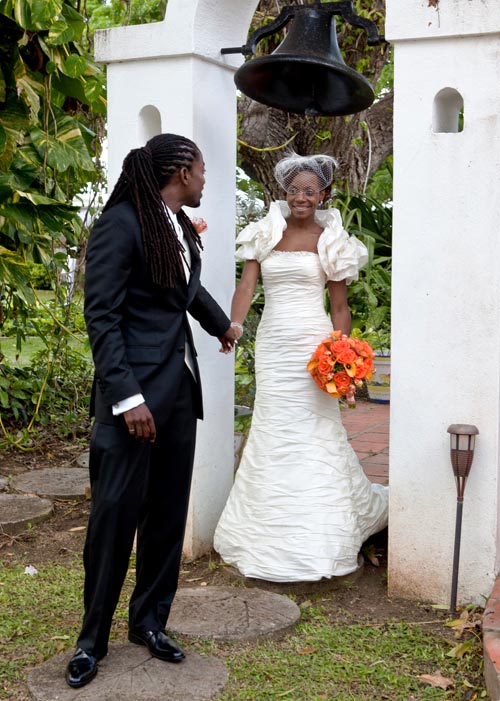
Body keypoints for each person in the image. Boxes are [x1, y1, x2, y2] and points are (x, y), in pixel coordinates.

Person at [66, 133, 238, 688]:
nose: (206, 180)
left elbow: (183, 291)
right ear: (181, 171)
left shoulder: (175, 223)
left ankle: (150, 622)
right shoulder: (121, 222)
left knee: (166, 516)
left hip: (178, 394)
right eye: (202, 170)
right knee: (114, 518)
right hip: (133, 401)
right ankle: (91, 639)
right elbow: (102, 317)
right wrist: (127, 397)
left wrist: (223, 326)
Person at [214, 153, 388, 583]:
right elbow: (246, 286)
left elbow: (340, 306)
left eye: (310, 191)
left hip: (315, 344)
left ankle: (321, 532)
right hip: (273, 344)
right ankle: (263, 532)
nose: (301, 197)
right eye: (294, 190)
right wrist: (234, 326)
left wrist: (341, 354)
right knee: (274, 426)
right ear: (284, 193)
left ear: (324, 195)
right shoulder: (265, 234)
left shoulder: (333, 241)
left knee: (314, 427)